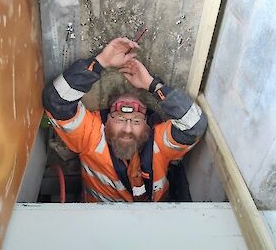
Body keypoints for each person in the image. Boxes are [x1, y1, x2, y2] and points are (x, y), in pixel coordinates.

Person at [42, 37, 207, 202]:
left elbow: (194, 125)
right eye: (120, 119)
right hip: (99, 220)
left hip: (153, 220)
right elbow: (56, 101)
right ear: (105, 121)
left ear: (146, 125)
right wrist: (100, 62)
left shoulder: (158, 142)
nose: (127, 128)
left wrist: (153, 84)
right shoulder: (93, 136)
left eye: (136, 121)